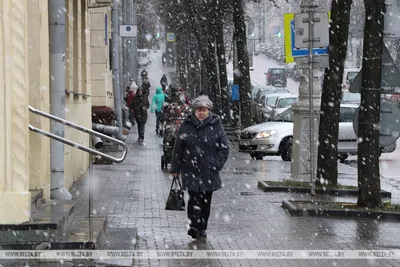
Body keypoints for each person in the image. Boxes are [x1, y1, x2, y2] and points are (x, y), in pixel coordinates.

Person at [170, 95, 230, 239]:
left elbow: (224, 148)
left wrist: (216, 164)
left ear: (209, 110)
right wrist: (175, 168)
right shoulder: (187, 124)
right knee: (193, 199)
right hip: (191, 170)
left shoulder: (216, 125)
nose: (201, 112)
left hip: (209, 172)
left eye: (204, 110)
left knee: (205, 201)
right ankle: (193, 226)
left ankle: (202, 227)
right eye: (199, 110)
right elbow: (178, 148)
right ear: (194, 111)